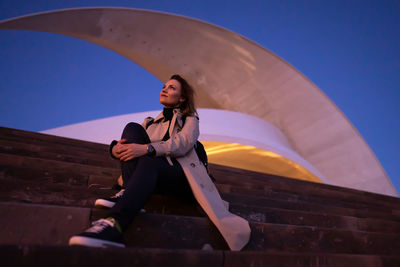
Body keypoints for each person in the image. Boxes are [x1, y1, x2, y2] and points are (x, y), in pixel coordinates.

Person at [69, 74, 251, 251]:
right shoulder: (149, 124)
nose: (165, 89)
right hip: (152, 175)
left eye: (172, 88)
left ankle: (113, 224)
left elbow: (183, 144)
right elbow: (131, 146)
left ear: (182, 98)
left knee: (150, 163)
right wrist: (115, 149)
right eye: (164, 86)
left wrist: (149, 149)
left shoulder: (190, 119)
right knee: (132, 128)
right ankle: (129, 191)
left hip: (181, 177)